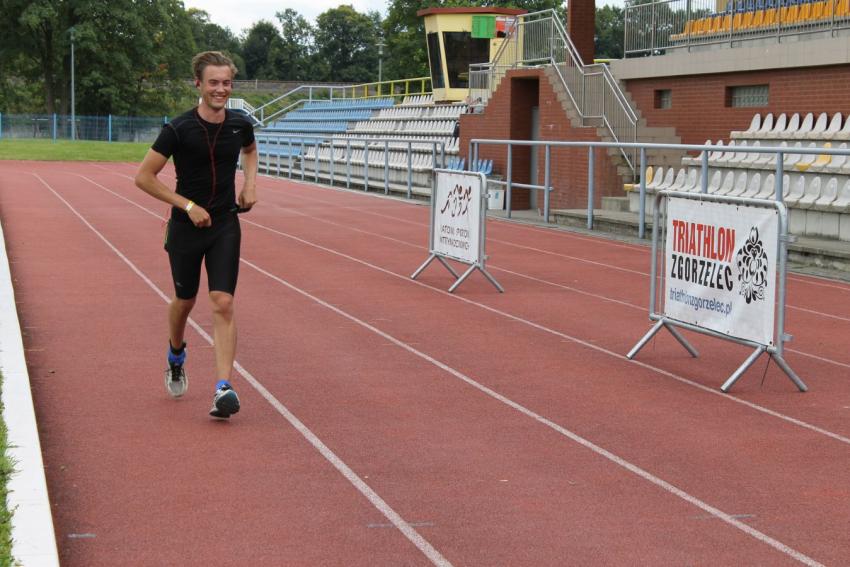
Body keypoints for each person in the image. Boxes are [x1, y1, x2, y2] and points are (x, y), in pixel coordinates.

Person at [135, 51, 258, 419]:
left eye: (226, 83)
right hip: (186, 227)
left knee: (222, 301)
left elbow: (250, 152)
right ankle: (176, 353)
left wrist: (250, 184)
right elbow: (143, 177)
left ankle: (223, 387)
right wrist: (187, 206)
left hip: (224, 224)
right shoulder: (178, 129)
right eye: (213, 83)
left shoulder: (240, 124)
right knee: (184, 301)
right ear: (199, 84)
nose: (221, 89)